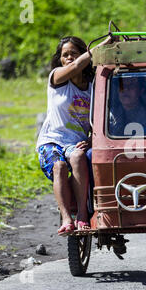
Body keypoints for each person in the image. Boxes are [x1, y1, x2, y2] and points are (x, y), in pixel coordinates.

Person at [36, 35, 112, 235]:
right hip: (51, 140)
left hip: (75, 144)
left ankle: (81, 214)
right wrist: (100, 46)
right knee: (58, 166)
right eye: (64, 55)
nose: (68, 58)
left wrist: (90, 139)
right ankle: (66, 218)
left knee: (79, 157)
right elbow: (76, 66)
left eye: (73, 53)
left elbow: (101, 119)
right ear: (60, 60)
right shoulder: (57, 78)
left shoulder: (93, 88)